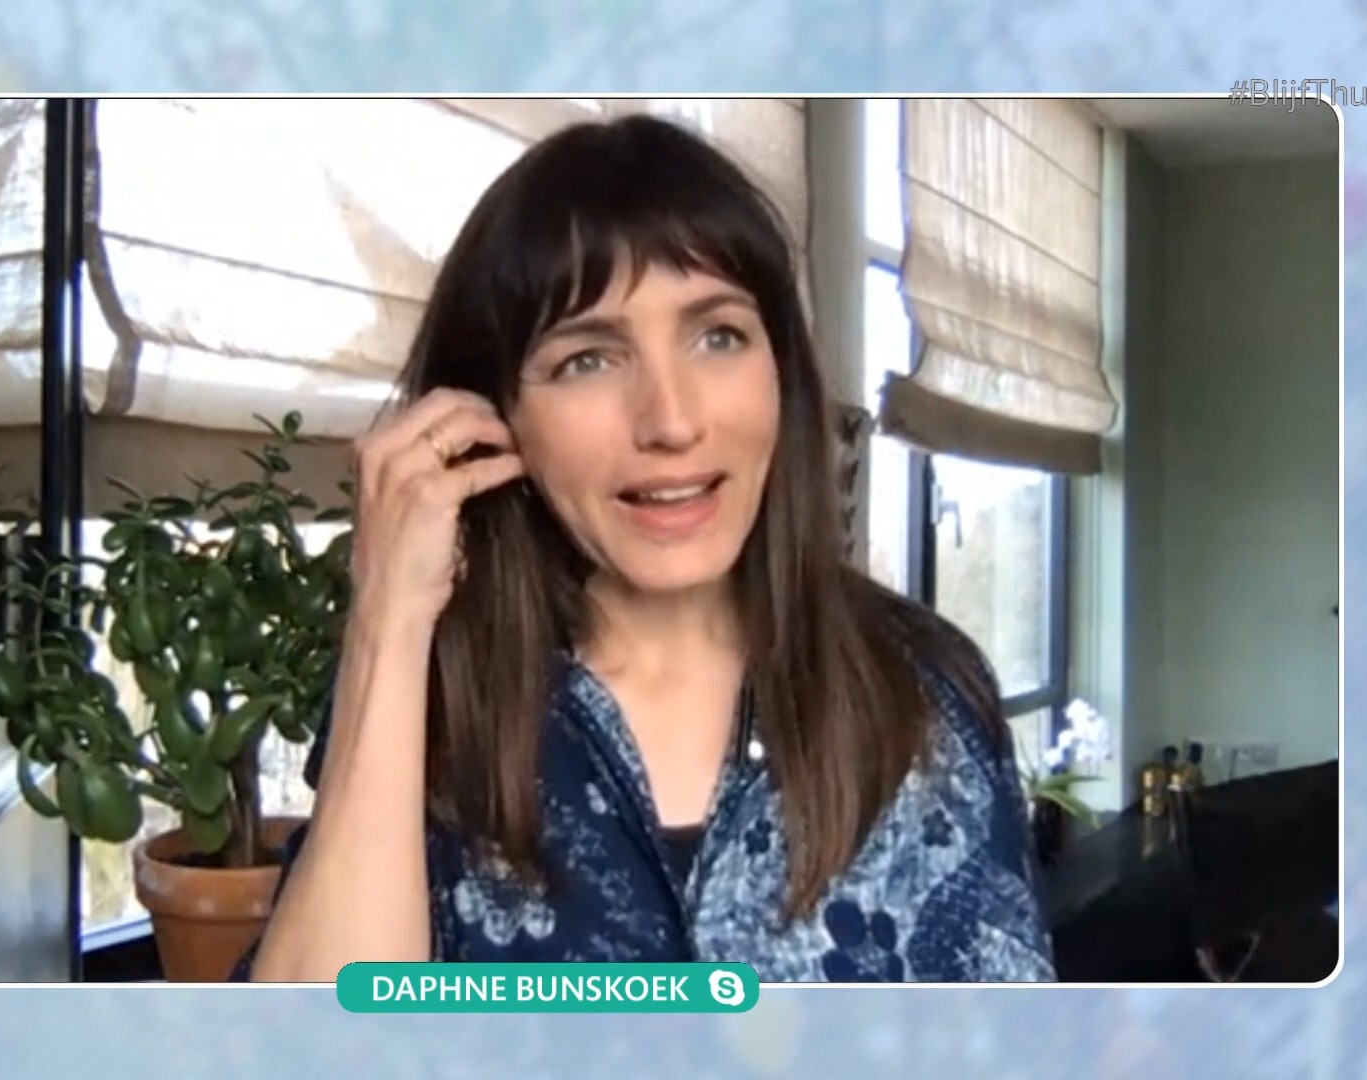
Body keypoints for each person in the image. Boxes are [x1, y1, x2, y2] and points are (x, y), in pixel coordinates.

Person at [238, 113, 1055, 983]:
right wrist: (387, 619)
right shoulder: (432, 702)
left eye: (718, 336)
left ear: (781, 375)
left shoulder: (926, 694)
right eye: (588, 359)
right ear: (493, 416)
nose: (671, 421)